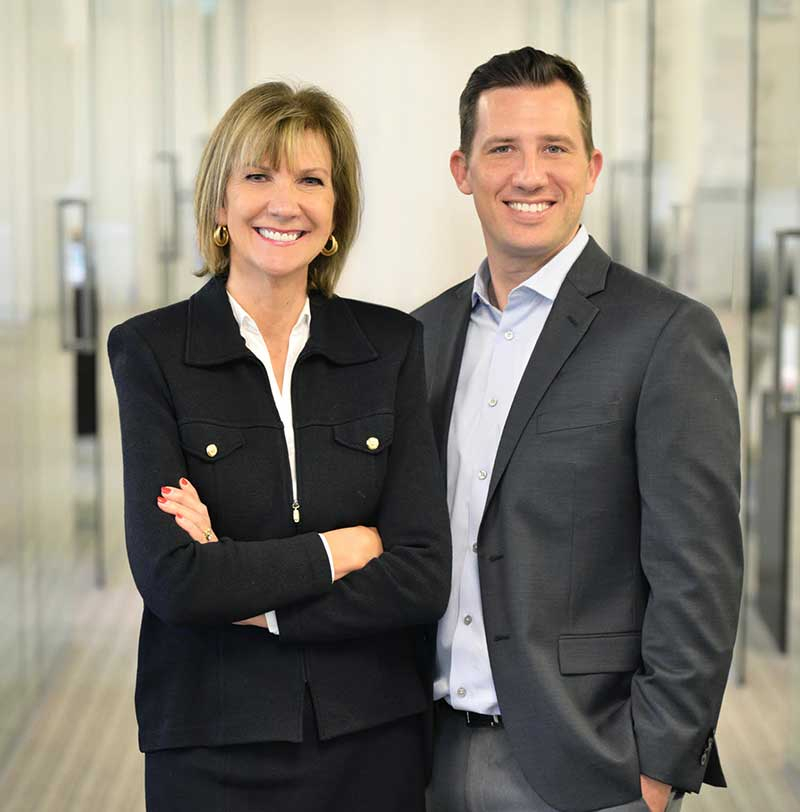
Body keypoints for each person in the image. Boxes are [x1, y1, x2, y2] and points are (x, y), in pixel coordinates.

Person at [414, 46, 743, 812]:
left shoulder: (665, 335)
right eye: (503, 148)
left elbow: (698, 574)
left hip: (587, 766)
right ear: (463, 169)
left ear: (591, 168)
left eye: (555, 149)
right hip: (426, 753)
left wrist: (656, 767)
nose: (530, 175)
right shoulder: (422, 335)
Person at [108, 81, 450, 812]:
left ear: (336, 212)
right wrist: (343, 548)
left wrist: (252, 597)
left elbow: (422, 575)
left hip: (373, 735)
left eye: (311, 180)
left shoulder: (390, 346)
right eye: (258, 175)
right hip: (210, 741)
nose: (284, 202)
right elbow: (173, 581)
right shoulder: (151, 351)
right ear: (220, 203)